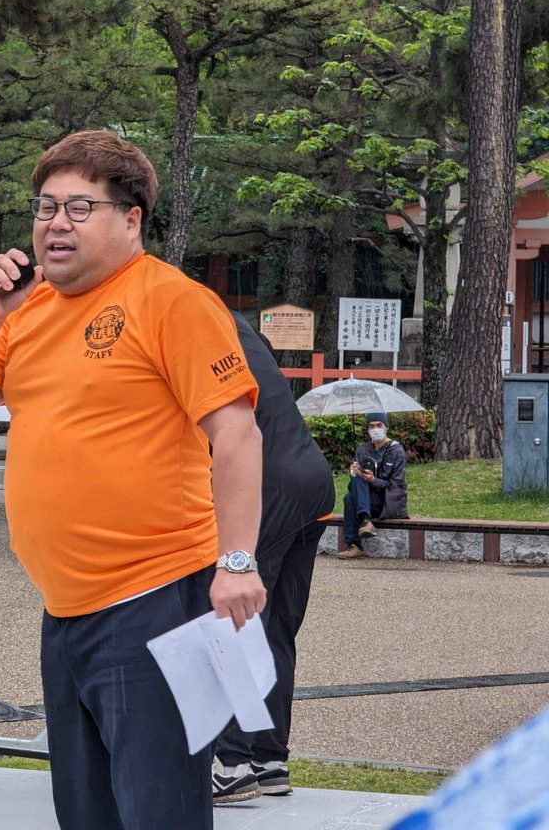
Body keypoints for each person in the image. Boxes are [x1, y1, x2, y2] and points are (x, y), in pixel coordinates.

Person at [0, 130, 264, 830]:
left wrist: (236, 563)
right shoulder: (27, 311)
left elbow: (236, 435)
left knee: (159, 811)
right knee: (85, 812)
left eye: (80, 208)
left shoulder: (172, 301)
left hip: (158, 600)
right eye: (45, 206)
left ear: (131, 218)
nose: (56, 223)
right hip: (65, 610)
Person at [211, 313, 336, 802]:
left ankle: (232, 762)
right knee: (276, 627)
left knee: (236, 621)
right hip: (312, 479)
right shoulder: (239, 326)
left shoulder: (184, 329)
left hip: (266, 486)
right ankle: (270, 758)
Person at [338, 411, 409, 560]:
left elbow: (396, 486)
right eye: (372, 426)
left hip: (387, 501)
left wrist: (373, 481)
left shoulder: (396, 451)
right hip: (367, 501)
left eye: (379, 425)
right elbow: (354, 486)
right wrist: (353, 473)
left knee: (349, 499)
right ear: (367, 429)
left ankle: (354, 543)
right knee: (354, 486)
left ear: (386, 427)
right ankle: (365, 521)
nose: (375, 428)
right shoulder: (362, 451)